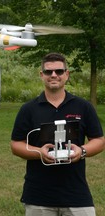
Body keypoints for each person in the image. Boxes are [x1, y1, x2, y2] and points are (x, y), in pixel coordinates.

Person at [10, 52, 105, 216]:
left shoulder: (83, 107)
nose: (54, 75)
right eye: (48, 71)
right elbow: (16, 145)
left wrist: (81, 151)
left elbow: (99, 140)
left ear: (66, 74)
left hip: (76, 195)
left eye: (59, 71)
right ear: (42, 75)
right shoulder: (29, 109)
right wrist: (39, 152)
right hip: (38, 196)